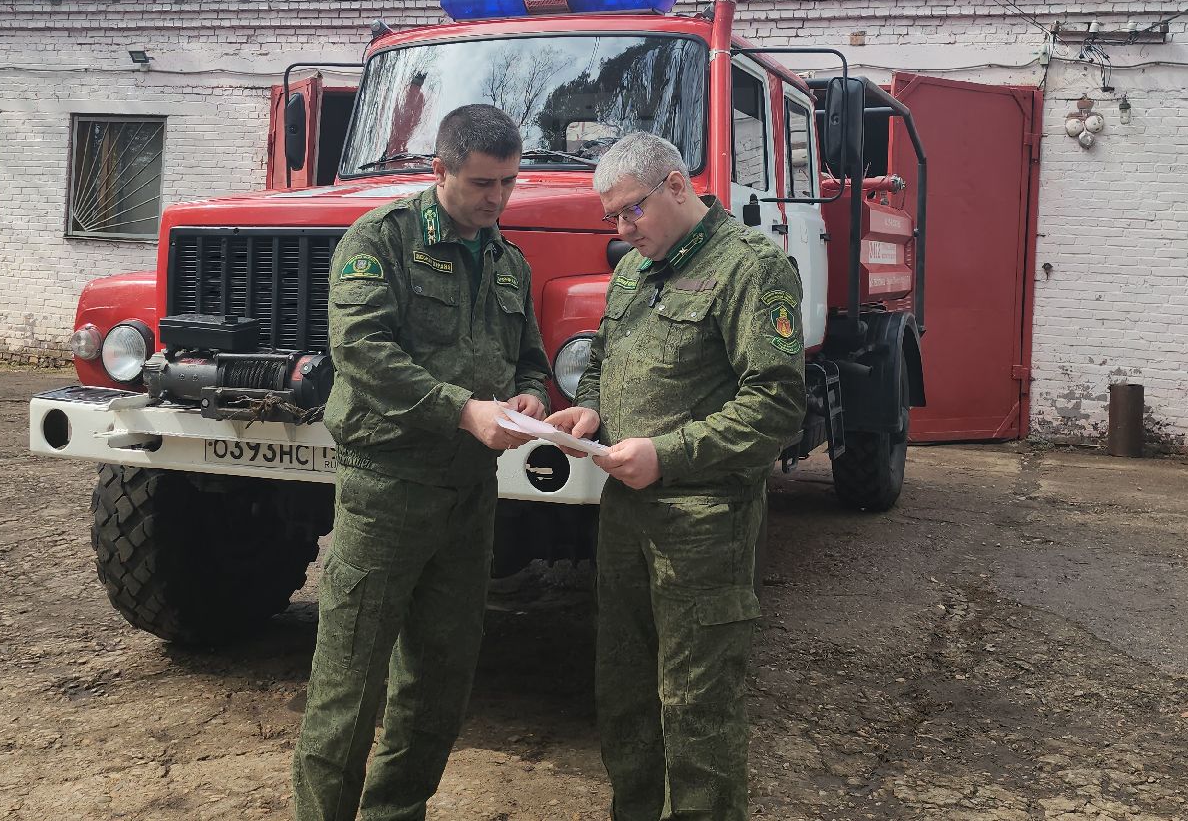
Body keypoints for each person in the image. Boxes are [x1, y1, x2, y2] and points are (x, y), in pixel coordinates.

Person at [291, 104, 550, 821]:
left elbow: (528, 357)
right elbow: (363, 352)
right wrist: (462, 409)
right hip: (388, 490)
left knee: (440, 682)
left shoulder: (508, 260)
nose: (496, 199)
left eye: (508, 182)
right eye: (481, 184)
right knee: (349, 684)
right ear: (439, 172)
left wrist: (529, 396)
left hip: (470, 495)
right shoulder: (381, 242)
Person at [547, 132, 808, 821]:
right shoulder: (634, 272)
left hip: (703, 524)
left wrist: (669, 454)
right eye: (611, 218)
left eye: (632, 211)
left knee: (698, 706)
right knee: (625, 696)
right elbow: (603, 360)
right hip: (626, 517)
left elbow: (775, 404)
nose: (622, 229)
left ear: (675, 185)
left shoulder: (751, 267)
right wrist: (590, 410)